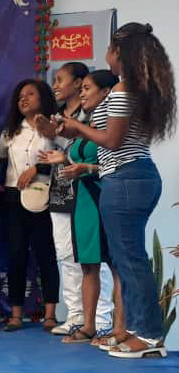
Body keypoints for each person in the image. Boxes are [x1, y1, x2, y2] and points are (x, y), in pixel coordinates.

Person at [59, 23, 176, 358]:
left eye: (109, 50)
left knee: (130, 260)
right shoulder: (135, 89)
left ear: (118, 52)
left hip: (126, 180)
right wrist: (75, 130)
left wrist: (77, 125)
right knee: (128, 260)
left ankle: (150, 335)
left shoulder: (124, 90)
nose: (106, 56)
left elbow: (112, 140)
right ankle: (137, 331)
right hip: (132, 177)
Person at [39, 70, 119, 343]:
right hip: (82, 200)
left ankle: (112, 326)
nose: (83, 93)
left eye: (87, 88)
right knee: (88, 265)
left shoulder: (112, 123)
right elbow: (79, 158)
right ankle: (88, 326)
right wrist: (63, 158)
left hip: (102, 198)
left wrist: (87, 168)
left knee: (112, 265)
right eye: (82, 88)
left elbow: (116, 164)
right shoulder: (87, 121)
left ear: (106, 92)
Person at [0, 79, 60, 332]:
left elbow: (66, 156)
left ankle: (50, 315)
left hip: (42, 196)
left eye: (30, 94)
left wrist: (38, 168)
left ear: (43, 98)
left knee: (46, 254)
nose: (24, 99)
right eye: (20, 95)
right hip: (13, 197)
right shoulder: (11, 131)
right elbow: (0, 157)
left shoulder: (56, 126)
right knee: (16, 253)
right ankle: (15, 314)